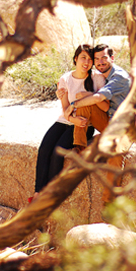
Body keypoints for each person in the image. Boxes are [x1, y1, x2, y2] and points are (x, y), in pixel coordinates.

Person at [29, 44, 108, 204]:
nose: (86, 62)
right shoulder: (65, 79)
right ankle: (38, 193)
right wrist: (72, 119)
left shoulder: (97, 78)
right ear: (75, 59)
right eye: (83, 58)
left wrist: (89, 100)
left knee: (58, 152)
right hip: (66, 120)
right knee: (44, 149)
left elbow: (103, 105)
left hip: (84, 125)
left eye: (90, 59)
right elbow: (65, 109)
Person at [64, 43, 132, 204]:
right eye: (97, 59)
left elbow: (98, 98)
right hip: (109, 121)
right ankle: (80, 148)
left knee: (115, 152)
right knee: (85, 101)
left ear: (112, 58)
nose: (100, 62)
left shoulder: (119, 77)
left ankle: (109, 202)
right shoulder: (102, 76)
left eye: (104, 58)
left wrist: (73, 106)